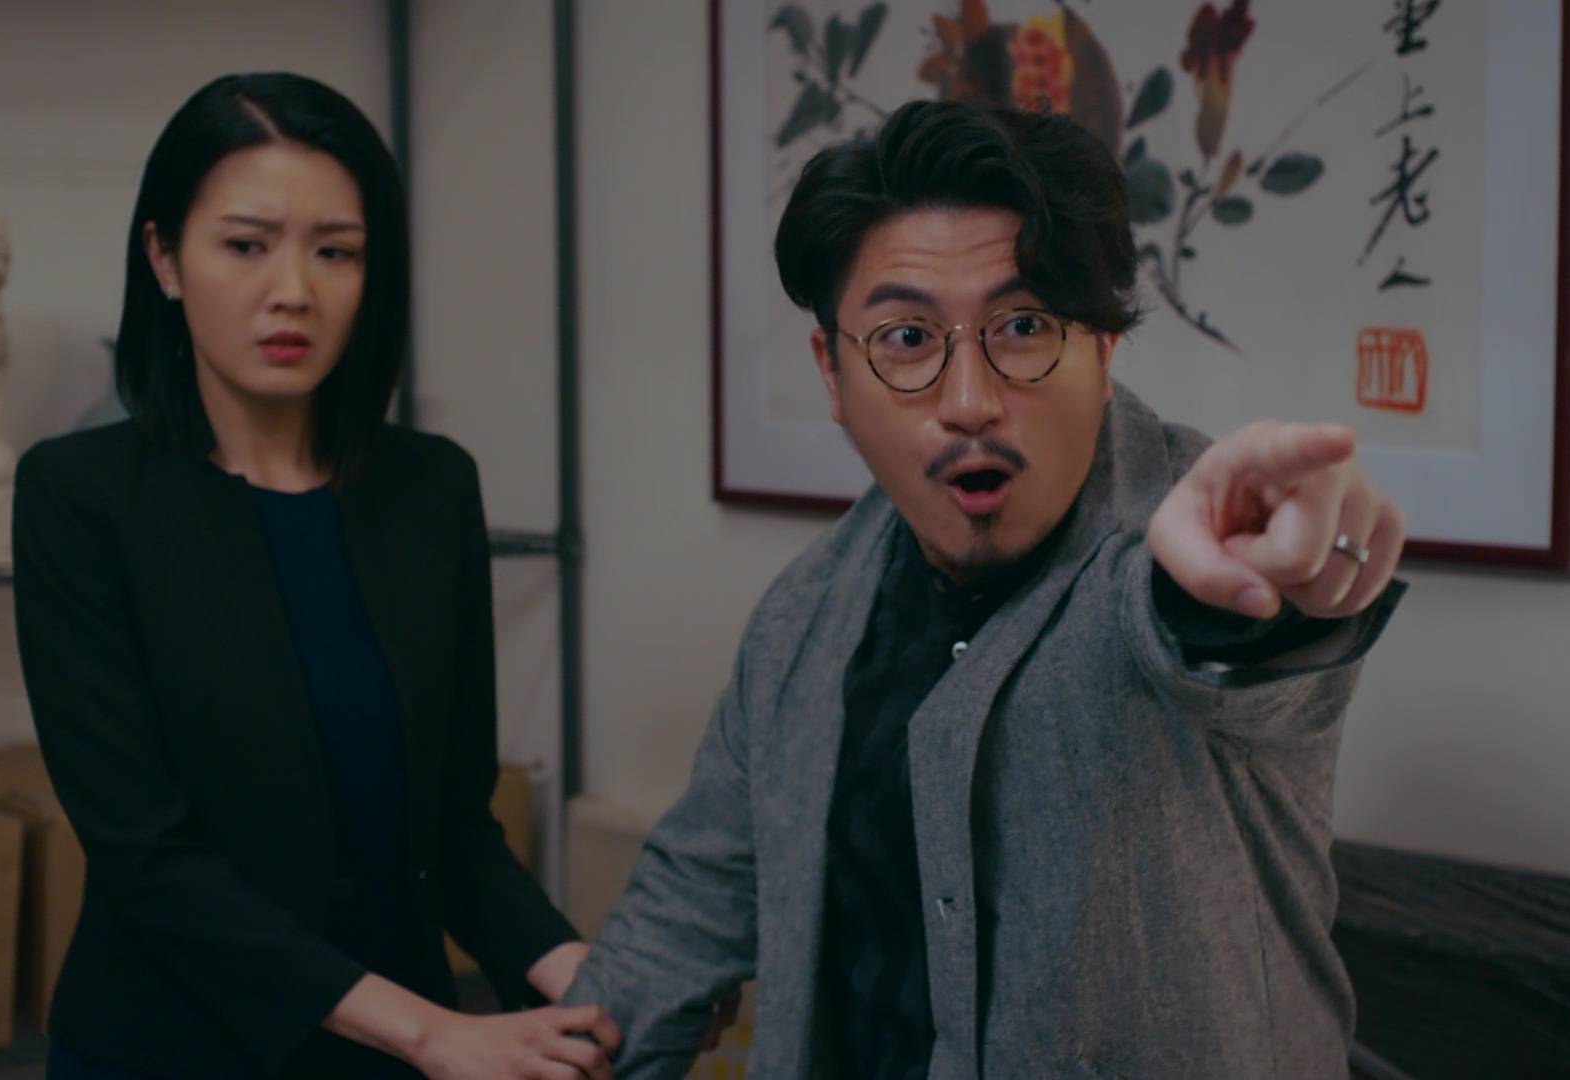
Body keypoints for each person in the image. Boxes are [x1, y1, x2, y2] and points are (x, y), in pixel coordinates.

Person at [563, 100, 1408, 1079]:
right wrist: (566, 1048)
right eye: (907, 338)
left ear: (1103, 347)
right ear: (832, 374)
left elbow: (1212, 636)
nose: (971, 402)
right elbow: (686, 905)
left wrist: (1273, 585)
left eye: (1024, 325)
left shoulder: (1181, 545)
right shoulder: (804, 619)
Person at [12, 73, 618, 1079]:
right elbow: (148, 858)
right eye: (247, 245)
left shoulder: (430, 489)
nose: (293, 289)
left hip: (395, 1055)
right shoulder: (81, 496)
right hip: (168, 1053)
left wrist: (586, 974)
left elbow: (452, 827)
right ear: (164, 258)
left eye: (335, 251)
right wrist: (434, 1031)